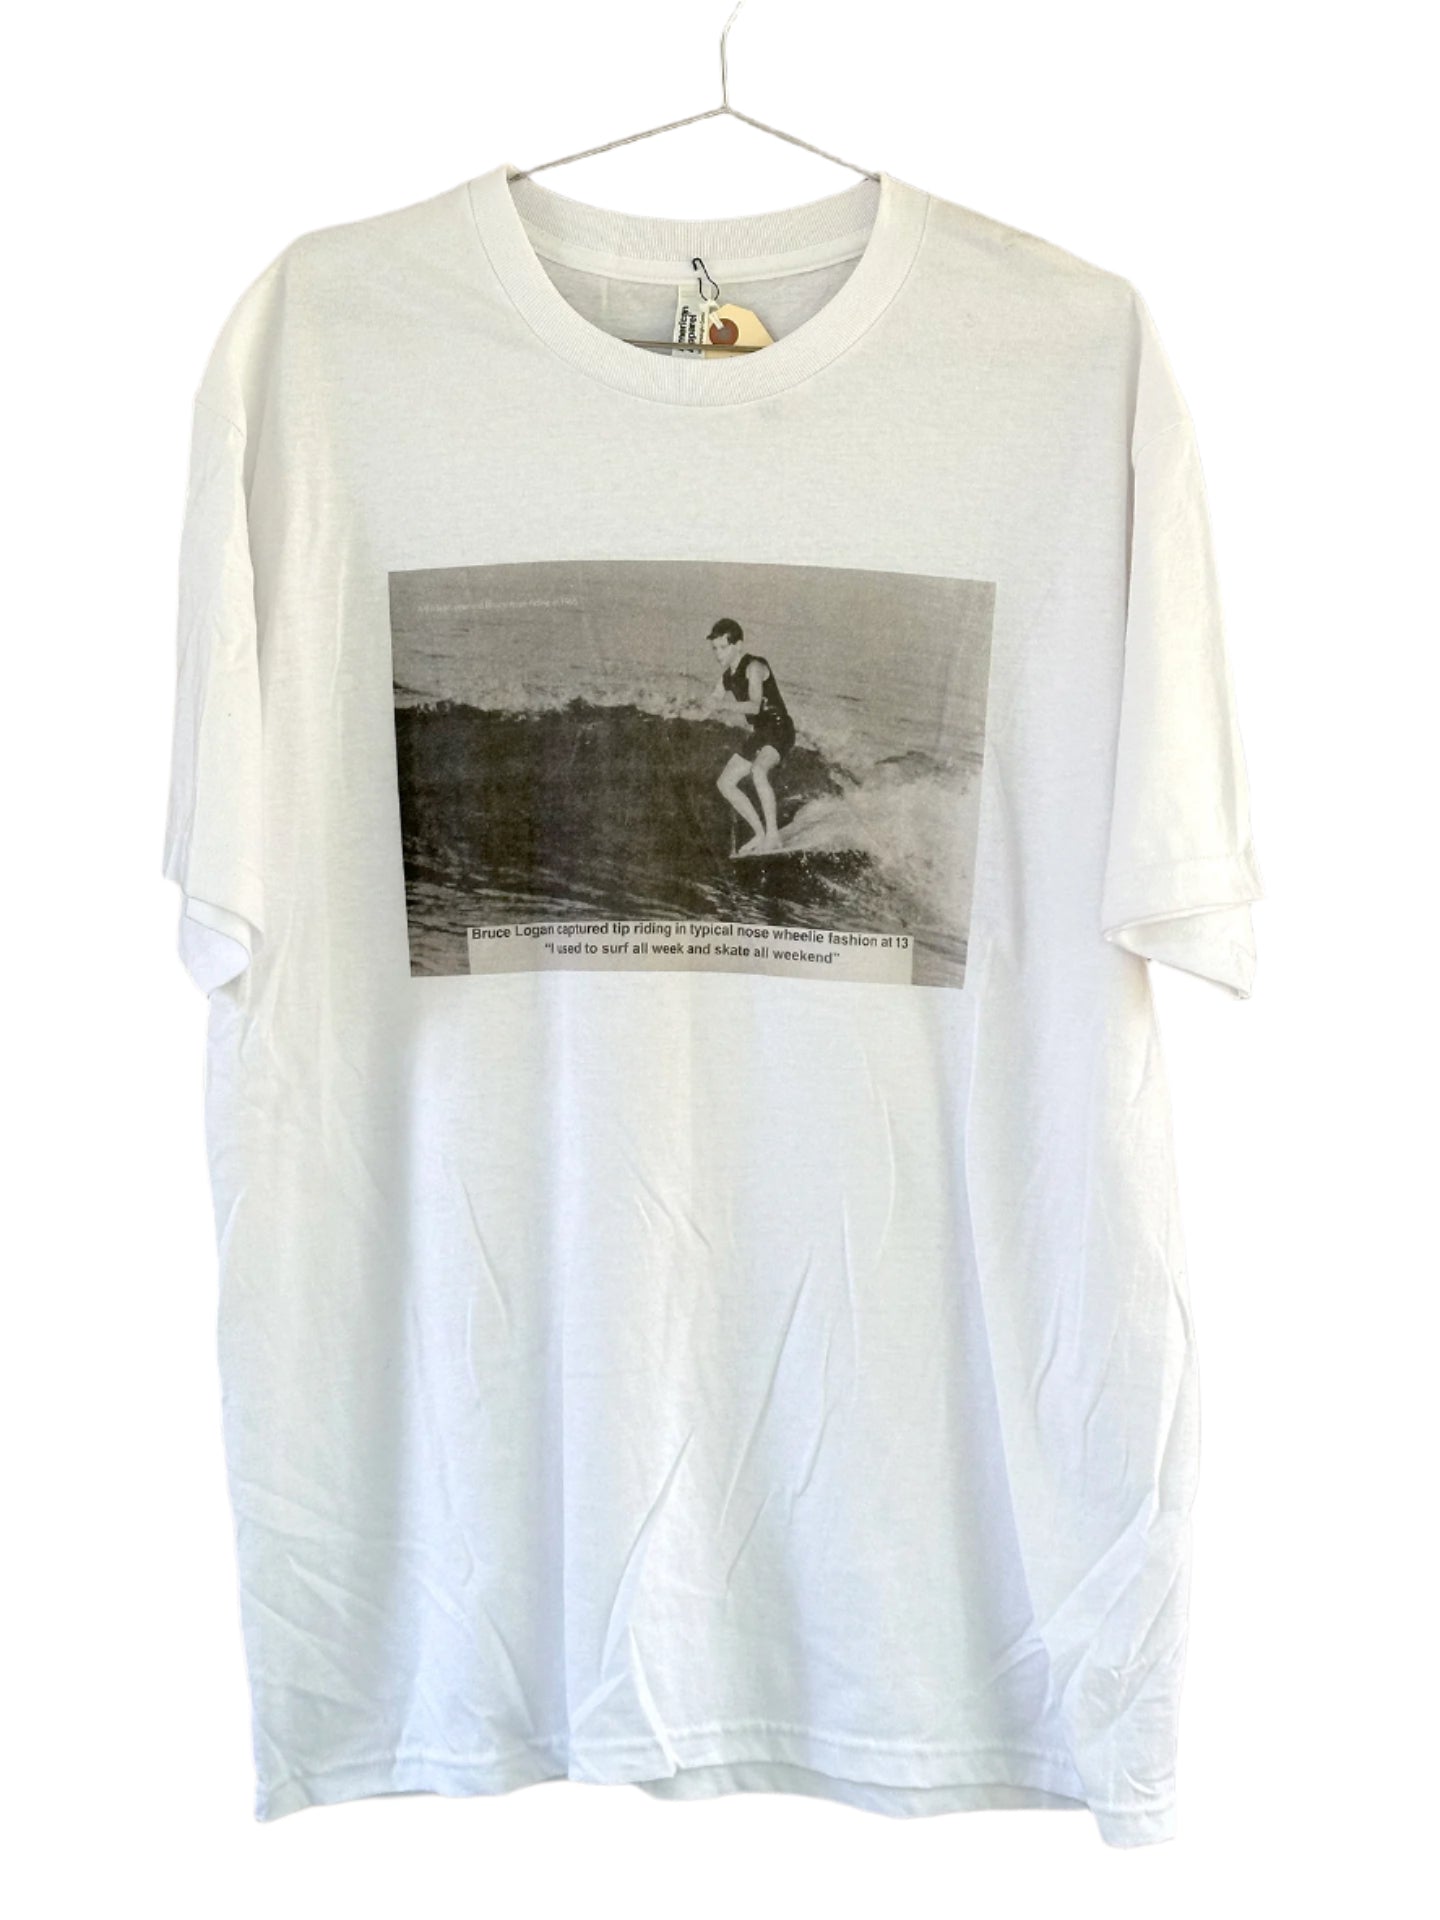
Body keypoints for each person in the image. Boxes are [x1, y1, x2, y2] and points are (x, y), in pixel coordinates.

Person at [706, 617, 797, 855]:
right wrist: (706, 703)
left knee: (758, 771)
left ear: (738, 645)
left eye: (723, 647)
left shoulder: (754, 666)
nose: (718, 654)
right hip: (761, 733)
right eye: (714, 648)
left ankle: (773, 837)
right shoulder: (727, 677)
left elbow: (755, 706)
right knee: (725, 783)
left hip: (779, 728)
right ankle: (760, 833)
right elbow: (713, 697)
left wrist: (722, 705)